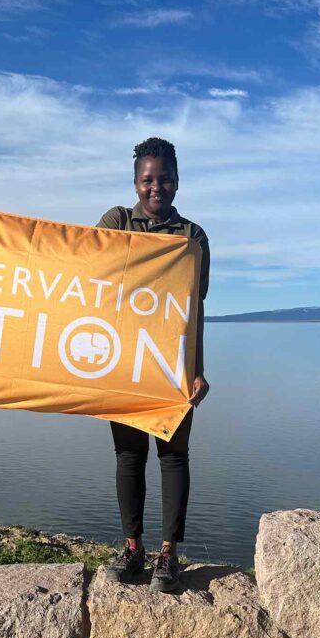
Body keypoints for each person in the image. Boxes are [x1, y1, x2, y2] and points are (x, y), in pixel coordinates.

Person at [96, 137, 210, 592]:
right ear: (135, 183)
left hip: (171, 364)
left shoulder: (192, 237)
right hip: (124, 361)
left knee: (173, 455)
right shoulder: (117, 221)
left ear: (177, 182)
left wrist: (197, 369)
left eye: (164, 178)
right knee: (128, 456)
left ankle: (168, 553)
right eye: (147, 179)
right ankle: (132, 548)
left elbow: (193, 310)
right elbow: (83, 269)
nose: (156, 187)